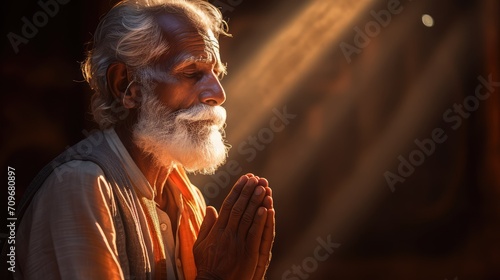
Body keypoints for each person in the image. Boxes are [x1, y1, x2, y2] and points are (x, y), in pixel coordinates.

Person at [14, 0, 275, 279]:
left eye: (216, 73)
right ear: (126, 85)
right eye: (191, 72)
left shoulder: (187, 198)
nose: (218, 93)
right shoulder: (80, 185)